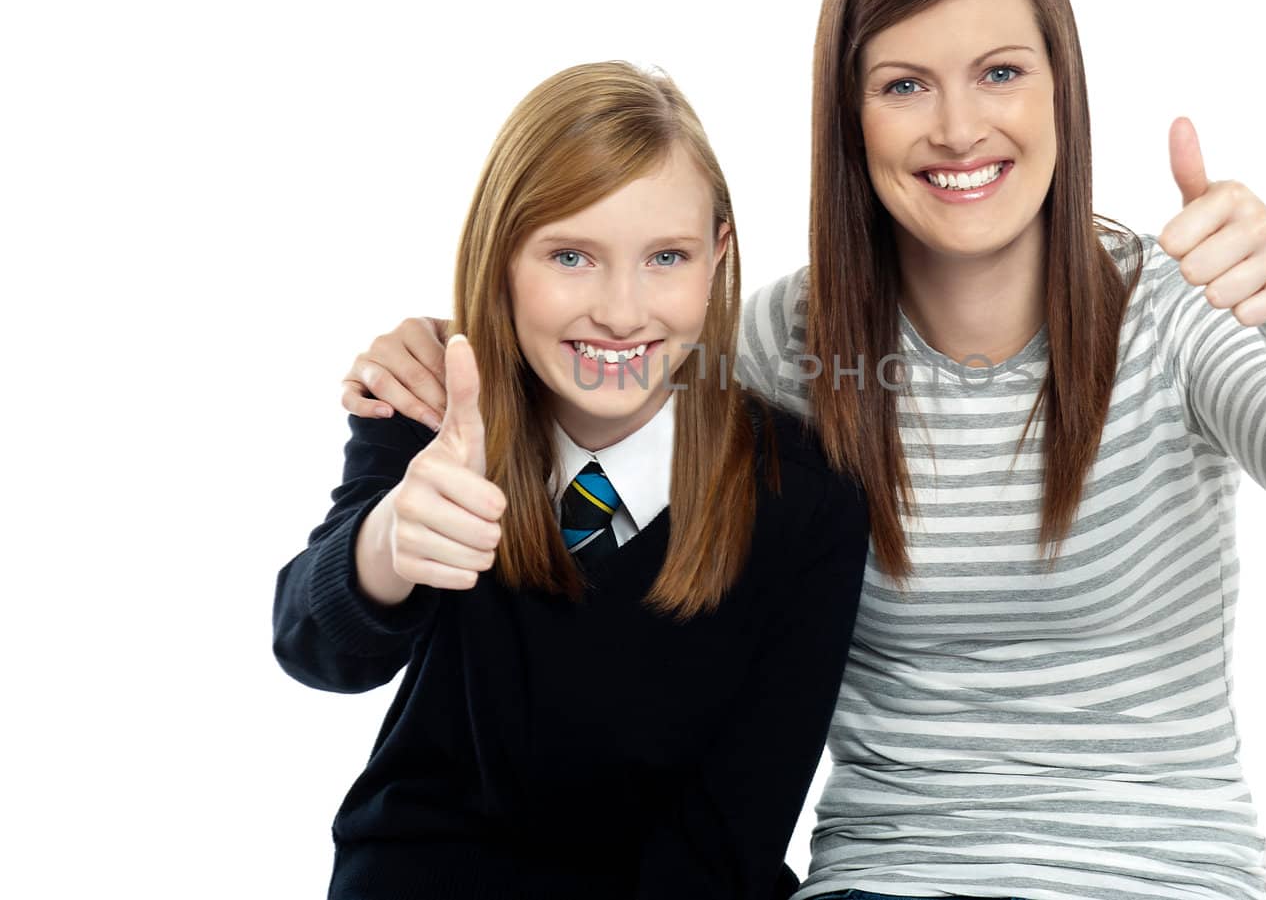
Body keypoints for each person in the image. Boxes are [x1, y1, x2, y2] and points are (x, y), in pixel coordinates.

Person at [339, 0, 1266, 900]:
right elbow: (603, 460)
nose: (957, 129)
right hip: (888, 874)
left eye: (1000, 73)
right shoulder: (778, 344)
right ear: (849, 117)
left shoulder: (1180, 310)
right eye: (904, 84)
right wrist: (442, 351)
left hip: (1157, 868)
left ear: (1062, 90)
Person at [274, 61, 871, 900]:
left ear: (718, 256)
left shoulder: (804, 500)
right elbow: (313, 645)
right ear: (503, 256)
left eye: (666, 256)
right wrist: (389, 543)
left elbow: (731, 831)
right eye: (570, 255)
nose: (623, 312)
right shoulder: (433, 411)